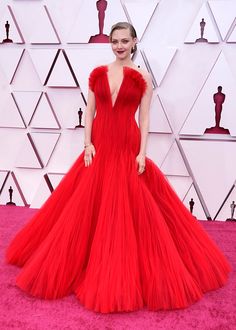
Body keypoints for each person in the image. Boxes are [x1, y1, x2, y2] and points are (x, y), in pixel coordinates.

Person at [6, 22, 231, 314]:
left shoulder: (143, 77)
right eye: (115, 41)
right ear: (110, 43)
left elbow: (146, 119)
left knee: (128, 210)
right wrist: (87, 143)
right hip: (99, 146)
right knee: (84, 209)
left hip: (126, 145)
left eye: (125, 40)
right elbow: (90, 111)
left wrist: (142, 154)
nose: (119, 46)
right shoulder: (99, 73)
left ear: (134, 41)